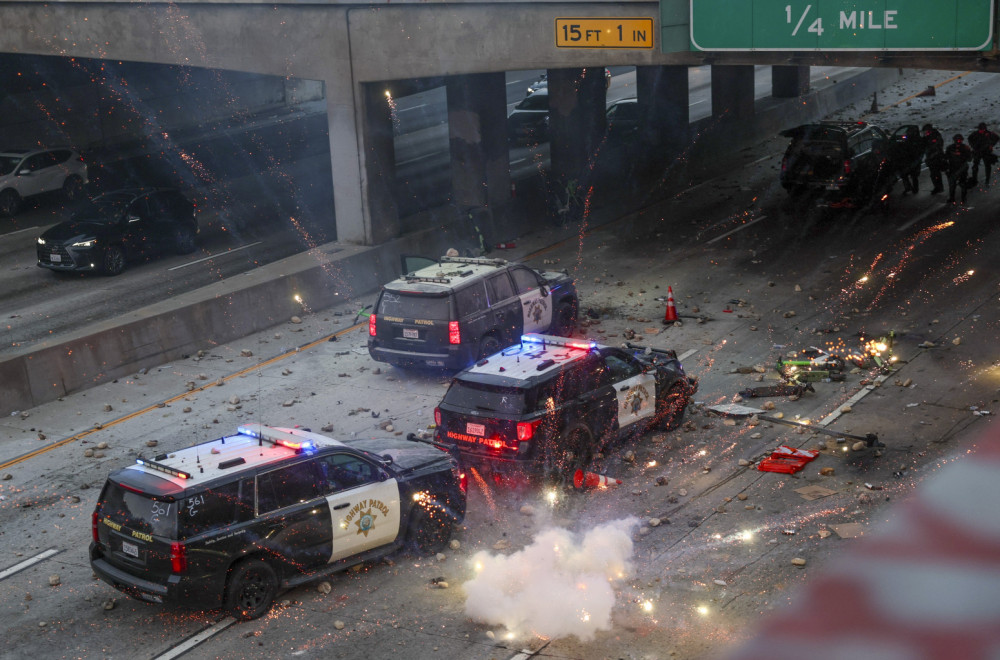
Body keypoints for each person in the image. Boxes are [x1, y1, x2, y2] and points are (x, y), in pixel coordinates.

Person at [893, 126, 924, 194]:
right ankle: (908, 187)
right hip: (907, 159)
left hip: (914, 159)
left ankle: (915, 189)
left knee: (914, 175)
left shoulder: (918, 140)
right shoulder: (908, 139)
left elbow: (920, 150)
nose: (909, 133)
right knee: (904, 174)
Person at [967, 122, 999, 186]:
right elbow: (969, 139)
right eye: (981, 129)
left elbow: (997, 138)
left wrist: (991, 145)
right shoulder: (975, 134)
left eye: (983, 129)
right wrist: (973, 146)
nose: (982, 131)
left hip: (986, 152)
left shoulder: (989, 133)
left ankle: (987, 180)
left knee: (987, 166)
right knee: (975, 166)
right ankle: (974, 180)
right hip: (977, 152)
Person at [944, 133, 972, 204]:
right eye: (957, 140)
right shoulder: (950, 148)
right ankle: (952, 198)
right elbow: (945, 157)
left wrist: (962, 155)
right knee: (952, 184)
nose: (958, 141)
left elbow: (969, 159)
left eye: (959, 140)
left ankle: (963, 198)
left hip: (962, 168)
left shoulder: (965, 148)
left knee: (963, 184)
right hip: (952, 168)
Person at [922, 124, 946, 194]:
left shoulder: (936, 135)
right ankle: (937, 187)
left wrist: (934, 153)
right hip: (930, 158)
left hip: (937, 157)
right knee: (933, 174)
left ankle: (939, 187)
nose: (925, 133)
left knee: (936, 173)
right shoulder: (927, 137)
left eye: (926, 131)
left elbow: (939, 145)